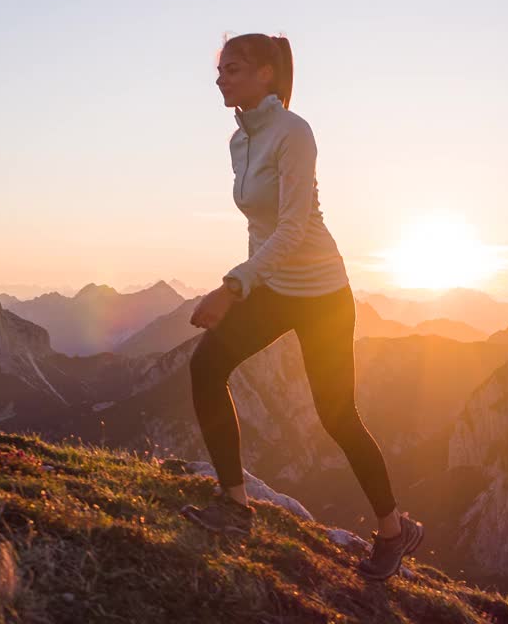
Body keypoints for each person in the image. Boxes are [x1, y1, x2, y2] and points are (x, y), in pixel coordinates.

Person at [179, 32, 423, 582]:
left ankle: (393, 530)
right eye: (219, 70)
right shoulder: (239, 141)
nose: (220, 78)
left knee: (337, 416)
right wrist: (250, 286)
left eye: (232, 69)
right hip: (273, 289)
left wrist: (233, 287)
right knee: (206, 366)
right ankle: (235, 507)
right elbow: (257, 226)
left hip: (322, 296)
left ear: (266, 73)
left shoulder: (294, 132)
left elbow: (291, 227)